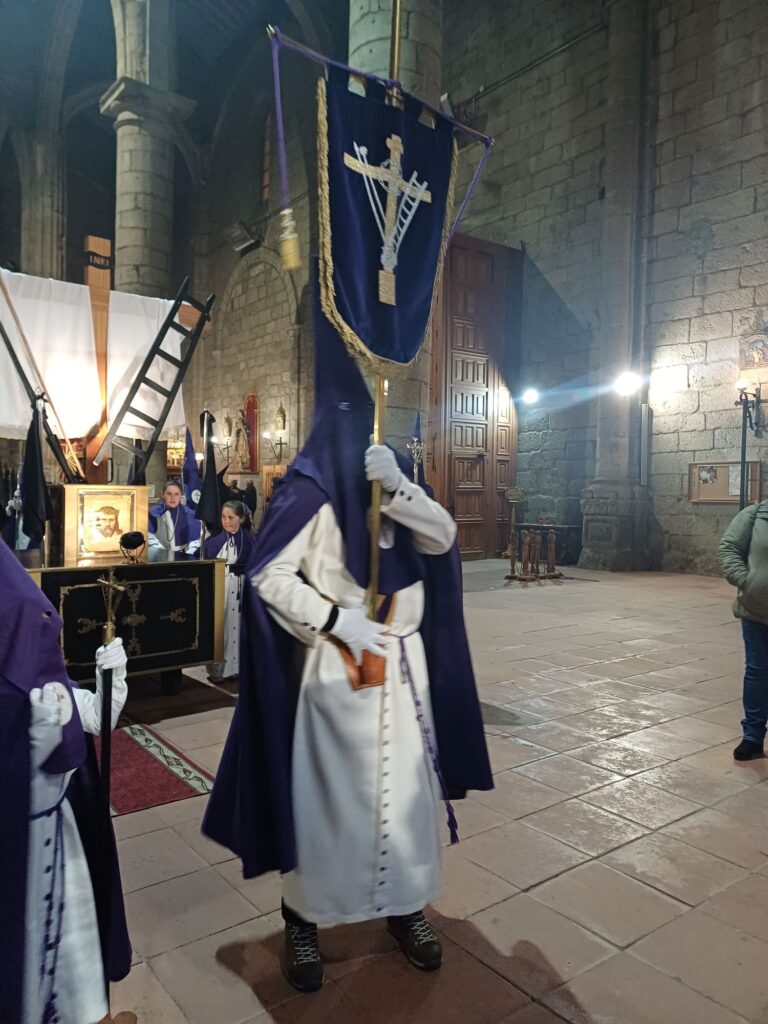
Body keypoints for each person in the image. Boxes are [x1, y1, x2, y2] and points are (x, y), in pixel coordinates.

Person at [202, 291, 492, 992]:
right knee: (331, 804)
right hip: (337, 672)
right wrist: (336, 621)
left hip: (403, 666)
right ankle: (303, 921)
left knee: (406, 800)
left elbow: (444, 539)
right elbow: (270, 576)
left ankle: (405, 908)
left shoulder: (394, 476)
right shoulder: (308, 490)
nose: (363, 436)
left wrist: (402, 491)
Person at [0, 539, 131, 1023]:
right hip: (25, 856)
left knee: (69, 960)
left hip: (56, 849)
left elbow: (94, 717)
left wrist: (111, 678)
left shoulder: (42, 687)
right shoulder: (18, 697)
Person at [719, 499, 768, 760]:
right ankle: (752, 736)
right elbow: (729, 548)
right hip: (757, 609)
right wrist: (745, 581)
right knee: (758, 672)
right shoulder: (755, 515)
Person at [204, 500, 257, 680]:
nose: (226, 521)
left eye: (231, 517)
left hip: (242, 587)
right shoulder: (214, 541)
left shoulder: (250, 539)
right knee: (223, 626)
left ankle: (239, 669)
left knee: (240, 627)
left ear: (241, 519)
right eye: (223, 517)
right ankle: (220, 671)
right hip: (223, 587)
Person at [147, 479, 201, 562]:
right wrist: (163, 554)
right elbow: (150, 537)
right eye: (169, 494)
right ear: (162, 495)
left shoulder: (189, 514)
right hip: (159, 556)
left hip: (183, 557)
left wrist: (187, 557)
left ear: (181, 496)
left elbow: (195, 542)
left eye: (176, 494)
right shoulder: (153, 512)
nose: (173, 498)